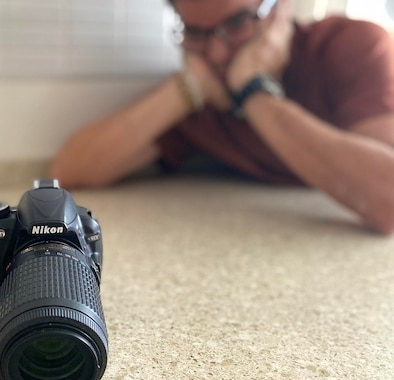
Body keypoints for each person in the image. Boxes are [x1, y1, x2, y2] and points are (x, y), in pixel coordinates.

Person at [49, 0, 394, 235]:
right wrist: (190, 86)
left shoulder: (354, 45)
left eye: (237, 23)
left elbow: (387, 198)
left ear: (281, 10)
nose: (216, 51)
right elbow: (70, 170)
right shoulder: (204, 93)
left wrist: (255, 93)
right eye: (196, 33)